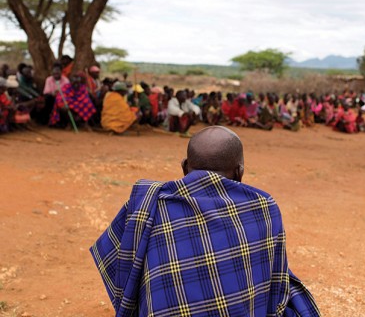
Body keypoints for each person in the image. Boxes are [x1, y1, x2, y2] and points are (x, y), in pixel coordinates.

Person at [90, 126, 320, 317]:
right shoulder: (263, 206)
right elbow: (276, 284)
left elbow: (118, 262)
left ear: (184, 167)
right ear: (239, 172)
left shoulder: (148, 204)